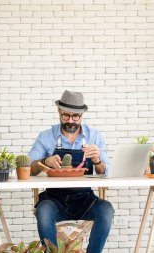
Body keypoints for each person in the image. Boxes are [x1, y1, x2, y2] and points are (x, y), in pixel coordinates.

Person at [29, 90, 114, 253]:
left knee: (106, 209)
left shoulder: (94, 136)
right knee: (43, 210)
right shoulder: (46, 136)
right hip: (54, 200)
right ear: (59, 112)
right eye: (66, 116)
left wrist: (97, 160)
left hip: (85, 200)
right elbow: (29, 169)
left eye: (76, 116)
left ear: (82, 115)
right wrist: (44, 161)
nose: (71, 121)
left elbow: (105, 172)